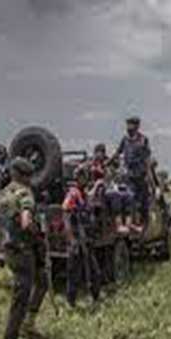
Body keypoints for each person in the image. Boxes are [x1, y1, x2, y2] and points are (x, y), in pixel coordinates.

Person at [0, 158, 47, 339]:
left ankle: (29, 323)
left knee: (42, 281)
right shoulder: (24, 193)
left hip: (7, 249)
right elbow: (26, 222)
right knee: (20, 299)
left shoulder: (1, 195)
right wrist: (38, 234)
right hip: (23, 250)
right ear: (26, 176)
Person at [62, 165, 101, 307]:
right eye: (83, 176)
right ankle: (71, 301)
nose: (85, 179)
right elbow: (66, 215)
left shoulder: (82, 193)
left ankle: (95, 297)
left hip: (86, 239)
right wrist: (72, 240)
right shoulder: (73, 194)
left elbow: (90, 200)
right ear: (78, 178)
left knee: (93, 270)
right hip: (77, 240)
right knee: (74, 272)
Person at [109, 116, 152, 233]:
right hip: (130, 175)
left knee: (144, 201)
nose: (129, 127)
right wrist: (108, 162)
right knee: (131, 198)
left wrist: (148, 175)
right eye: (128, 125)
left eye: (131, 125)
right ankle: (132, 224)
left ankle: (144, 226)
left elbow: (147, 159)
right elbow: (118, 153)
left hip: (141, 175)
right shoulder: (125, 140)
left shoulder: (143, 140)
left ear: (137, 126)